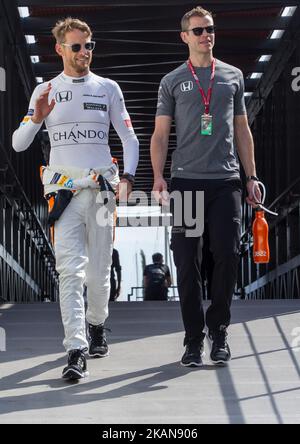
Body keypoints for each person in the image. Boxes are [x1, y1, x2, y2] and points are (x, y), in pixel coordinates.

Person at [12, 18, 139, 380]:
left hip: (100, 193)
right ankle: (75, 347)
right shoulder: (45, 90)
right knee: (70, 271)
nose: (85, 52)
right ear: (60, 49)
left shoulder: (108, 88)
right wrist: (37, 118)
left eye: (89, 46)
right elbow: (19, 143)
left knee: (98, 274)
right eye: (77, 46)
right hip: (63, 194)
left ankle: (98, 324)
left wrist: (128, 177)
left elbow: (129, 139)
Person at [150, 6, 260, 367]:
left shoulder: (233, 76)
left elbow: (242, 129)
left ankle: (220, 330)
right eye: (197, 31)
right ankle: (194, 339)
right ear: (184, 36)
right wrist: (158, 176)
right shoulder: (172, 80)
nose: (204, 36)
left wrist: (252, 176)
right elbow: (161, 134)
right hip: (185, 183)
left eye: (209, 29)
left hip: (226, 181)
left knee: (228, 255)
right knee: (186, 261)